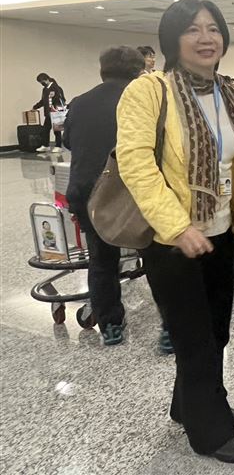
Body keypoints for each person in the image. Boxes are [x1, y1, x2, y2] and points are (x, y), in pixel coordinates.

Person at [116, 0, 234, 463]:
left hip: (219, 232)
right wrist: (177, 226)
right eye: (193, 30)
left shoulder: (226, 92)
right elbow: (136, 164)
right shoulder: (148, 91)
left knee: (216, 329)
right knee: (193, 336)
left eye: (213, 29)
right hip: (172, 240)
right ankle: (209, 429)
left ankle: (187, 404)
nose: (206, 38)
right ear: (172, 39)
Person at [63, 46, 144, 345]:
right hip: (131, 192)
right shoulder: (141, 99)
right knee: (156, 256)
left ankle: (110, 327)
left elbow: (69, 141)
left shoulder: (80, 102)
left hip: (87, 193)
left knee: (101, 260)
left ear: (102, 70)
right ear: (139, 72)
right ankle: (170, 330)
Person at [32, 72, 66, 152]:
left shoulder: (57, 88)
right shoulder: (45, 89)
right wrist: (35, 107)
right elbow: (43, 101)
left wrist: (57, 106)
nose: (41, 84)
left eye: (41, 82)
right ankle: (45, 145)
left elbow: (62, 99)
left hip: (56, 111)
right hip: (48, 113)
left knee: (57, 130)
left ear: (46, 79)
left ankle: (58, 146)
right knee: (46, 129)